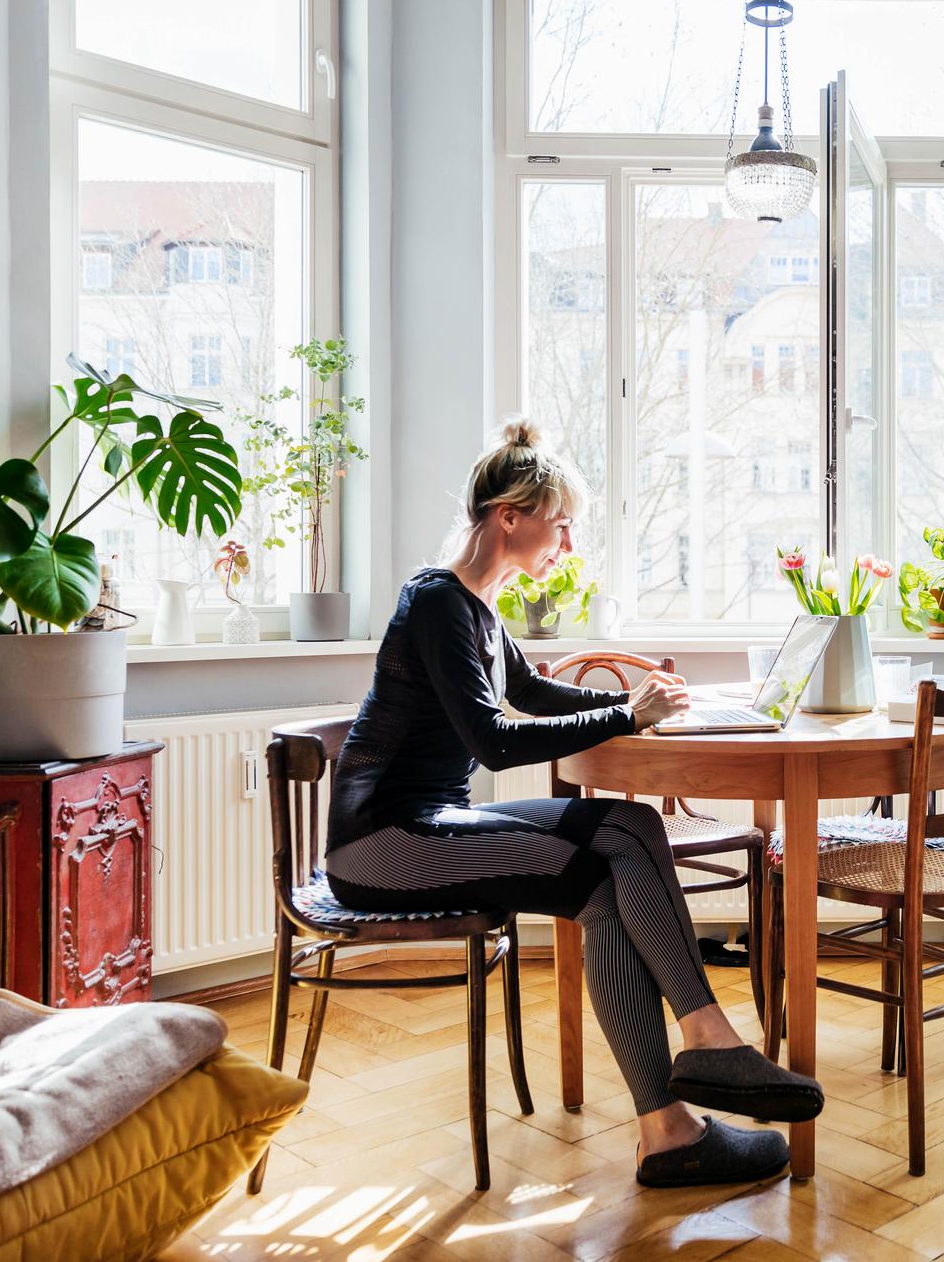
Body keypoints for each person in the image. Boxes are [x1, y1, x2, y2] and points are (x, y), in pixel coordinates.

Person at [325, 420, 823, 1188]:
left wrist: (641, 701)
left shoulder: (478, 610)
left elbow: (527, 690)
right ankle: (702, 1056)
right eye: (560, 525)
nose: (565, 544)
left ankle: (673, 1117)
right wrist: (627, 716)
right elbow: (494, 740)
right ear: (509, 516)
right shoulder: (435, 602)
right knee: (615, 850)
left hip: (432, 824)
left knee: (625, 834)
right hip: (384, 843)